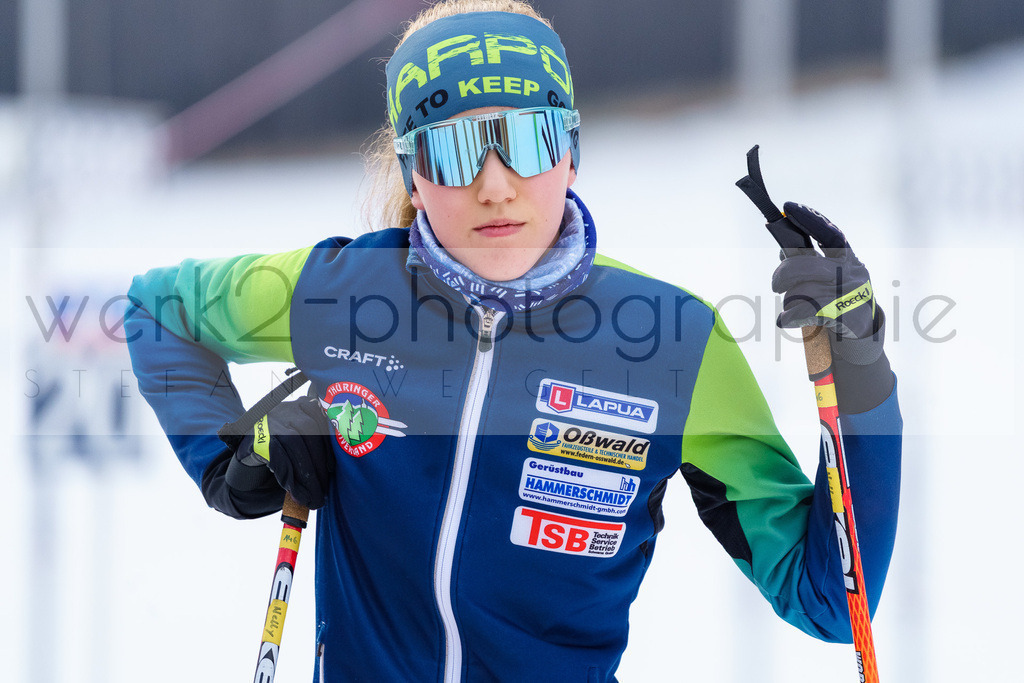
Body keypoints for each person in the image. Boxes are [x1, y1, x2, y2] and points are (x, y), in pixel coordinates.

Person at [125, 1, 902, 680]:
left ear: (571, 150)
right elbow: (157, 310)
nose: (495, 184)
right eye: (458, 150)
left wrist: (860, 365)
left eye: (526, 142)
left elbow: (833, 599)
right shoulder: (340, 291)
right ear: (412, 168)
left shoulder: (674, 343)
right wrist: (230, 459)